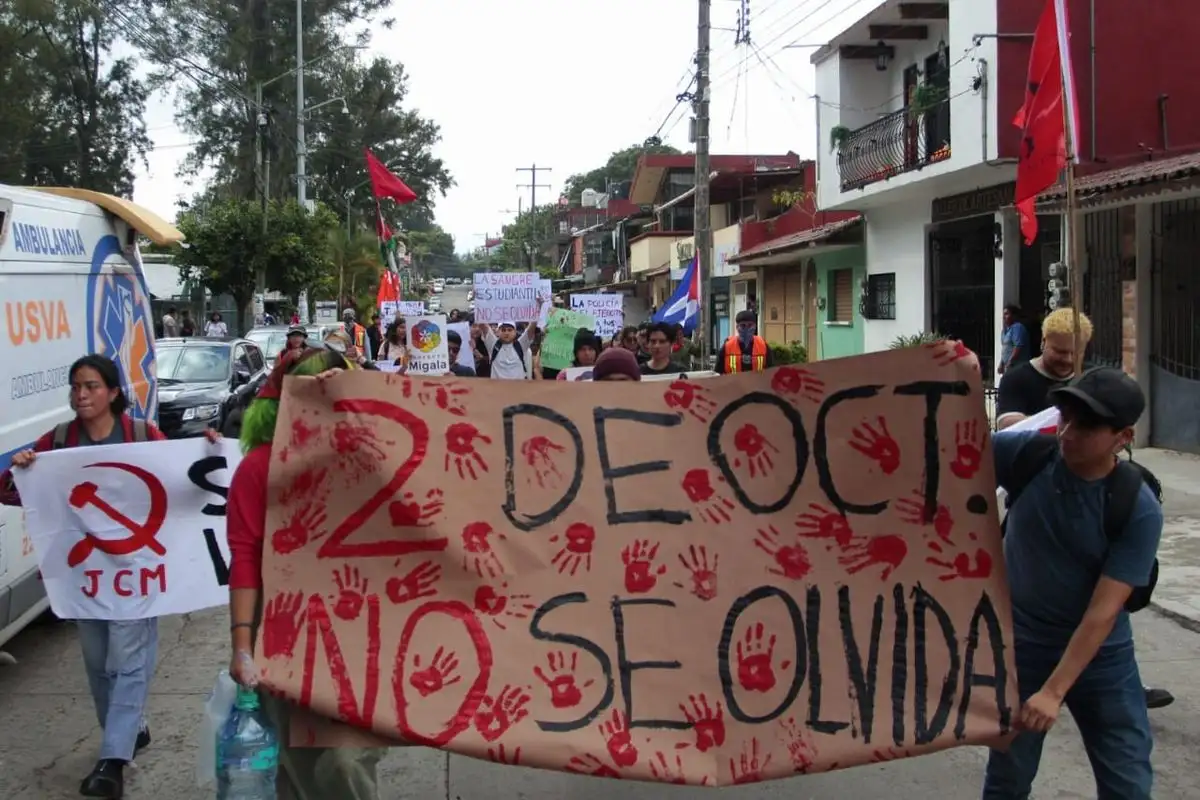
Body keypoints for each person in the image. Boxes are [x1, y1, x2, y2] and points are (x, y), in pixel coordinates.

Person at [0, 354, 219, 799]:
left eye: (91, 386)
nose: (81, 395)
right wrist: (20, 468)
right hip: (85, 578)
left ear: (114, 392)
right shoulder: (59, 440)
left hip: (137, 575)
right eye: (75, 386)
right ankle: (128, 729)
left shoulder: (142, 436)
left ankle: (112, 760)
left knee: (129, 662)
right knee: (99, 664)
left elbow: (184, 484)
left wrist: (209, 451)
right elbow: (10, 490)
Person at [984, 367, 1160, 800]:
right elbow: (946, 451)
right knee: (1007, 782)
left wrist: (1053, 692)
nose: (1067, 433)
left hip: (1103, 659)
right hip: (1024, 647)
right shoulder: (1028, 454)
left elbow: (1103, 613)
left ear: (1124, 436)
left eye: (1085, 426)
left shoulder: (1136, 506)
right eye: (1064, 417)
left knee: (1128, 783)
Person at [994, 308, 1172, 710]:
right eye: (1058, 351)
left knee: (1099, 599)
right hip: (1035, 496)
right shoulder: (1021, 378)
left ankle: (1111, 680)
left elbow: (1106, 608)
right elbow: (1006, 429)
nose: (1064, 360)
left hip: (1090, 500)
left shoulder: (1090, 382)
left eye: (1072, 353)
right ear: (1043, 343)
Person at [225, 348, 384, 799]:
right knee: (293, 763)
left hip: (361, 629)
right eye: (309, 396)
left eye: (333, 396)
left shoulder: (376, 463)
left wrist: (362, 393)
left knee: (346, 761)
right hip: (282, 632)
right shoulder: (258, 470)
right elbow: (244, 556)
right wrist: (242, 645)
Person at [717, 309, 773, 374]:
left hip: (756, 383)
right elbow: (718, 373)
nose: (746, 329)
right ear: (737, 327)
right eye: (743, 326)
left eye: (750, 325)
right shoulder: (727, 347)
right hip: (734, 384)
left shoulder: (763, 345)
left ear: (755, 327)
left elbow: (771, 372)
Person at [999, 304, 1032, 376]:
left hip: (1017, 366)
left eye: (1007, 314)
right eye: (1003, 314)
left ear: (1014, 316)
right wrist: (1001, 363)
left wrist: (1010, 362)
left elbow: (1018, 346)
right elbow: (1005, 348)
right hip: (1009, 367)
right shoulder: (1005, 330)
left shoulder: (1017, 327)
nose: (1004, 317)